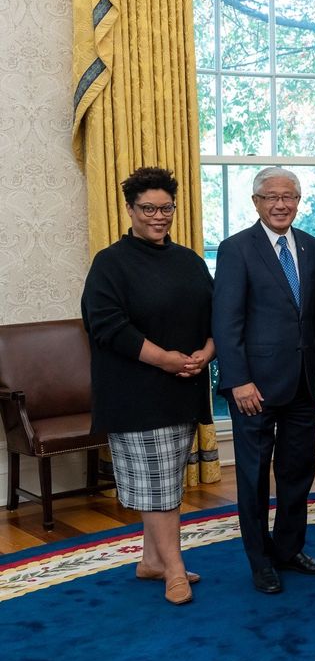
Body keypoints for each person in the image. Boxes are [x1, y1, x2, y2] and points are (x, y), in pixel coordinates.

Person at [81, 167, 214, 605]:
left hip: (182, 389)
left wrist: (207, 352)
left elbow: (216, 314)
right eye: (149, 208)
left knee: (166, 480)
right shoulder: (110, 263)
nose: (159, 216)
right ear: (130, 209)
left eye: (166, 208)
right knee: (158, 486)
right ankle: (173, 567)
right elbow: (107, 327)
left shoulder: (189, 261)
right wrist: (166, 359)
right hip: (135, 391)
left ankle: (150, 559)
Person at [212, 166, 315, 595]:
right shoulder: (236, 249)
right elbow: (226, 321)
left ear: (299, 202)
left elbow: (314, 317)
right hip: (254, 389)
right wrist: (238, 380)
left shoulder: (311, 245)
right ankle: (260, 561)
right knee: (254, 475)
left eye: (290, 197)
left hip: (303, 383)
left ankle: (289, 550)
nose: (281, 204)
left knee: (298, 471)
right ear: (257, 203)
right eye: (272, 197)